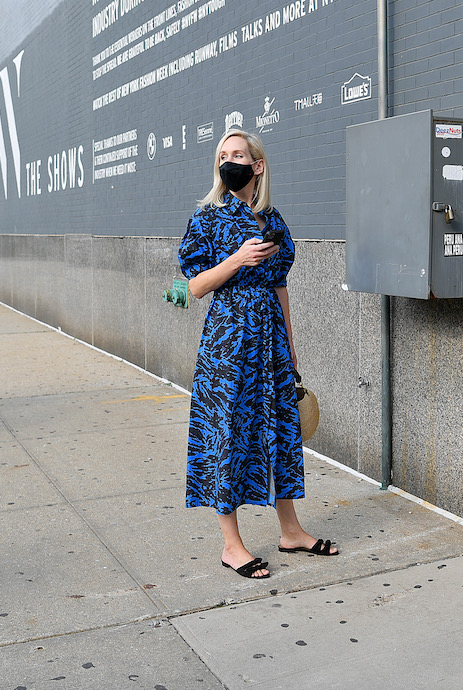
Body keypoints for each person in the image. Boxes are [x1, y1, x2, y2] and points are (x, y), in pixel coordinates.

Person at [179, 128, 338, 580]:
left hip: (269, 343)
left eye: (238, 155)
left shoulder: (274, 222)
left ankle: (291, 531)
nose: (230, 161)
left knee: (280, 430)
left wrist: (291, 353)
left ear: (258, 165)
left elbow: (281, 288)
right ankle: (231, 545)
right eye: (223, 155)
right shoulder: (207, 218)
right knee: (226, 435)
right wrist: (236, 260)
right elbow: (192, 287)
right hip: (227, 343)